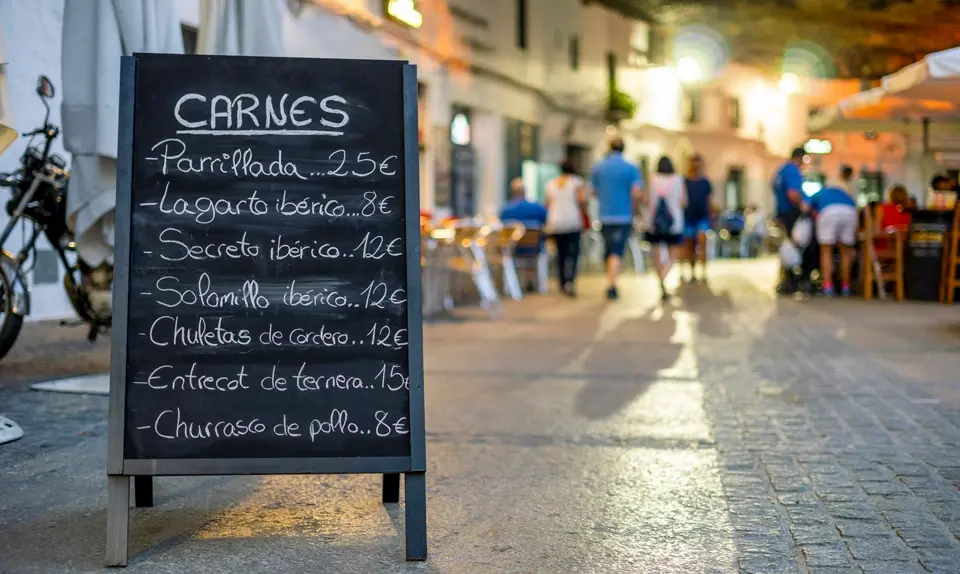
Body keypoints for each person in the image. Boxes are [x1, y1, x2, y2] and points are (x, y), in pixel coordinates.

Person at [590, 137, 643, 300]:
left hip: (605, 215)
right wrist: (636, 211)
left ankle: (611, 280)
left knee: (609, 249)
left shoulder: (599, 167)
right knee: (616, 250)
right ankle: (612, 284)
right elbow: (636, 193)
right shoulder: (631, 168)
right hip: (623, 216)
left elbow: (594, 191)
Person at [644, 156, 685, 300]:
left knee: (656, 253)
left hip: (654, 222)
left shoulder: (652, 179)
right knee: (673, 254)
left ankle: (660, 279)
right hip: (674, 223)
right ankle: (664, 276)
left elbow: (646, 200)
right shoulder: (678, 180)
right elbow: (683, 201)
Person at [806, 183, 857, 296]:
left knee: (826, 250)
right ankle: (845, 287)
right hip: (850, 212)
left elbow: (808, 208)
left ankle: (828, 286)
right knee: (845, 251)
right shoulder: (843, 193)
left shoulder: (819, 193)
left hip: (828, 211)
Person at [545, 159, 587, 296]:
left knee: (560, 254)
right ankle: (570, 281)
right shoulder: (576, 182)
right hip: (572, 221)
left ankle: (562, 282)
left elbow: (548, 203)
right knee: (573, 253)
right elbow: (582, 201)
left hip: (556, 221)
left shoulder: (551, 184)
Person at [772, 147, 809, 293]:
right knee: (794, 247)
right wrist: (803, 205)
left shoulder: (781, 171)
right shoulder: (793, 170)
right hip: (791, 213)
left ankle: (785, 280)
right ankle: (792, 281)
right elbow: (793, 193)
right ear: (800, 158)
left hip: (782, 212)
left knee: (786, 247)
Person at [682, 154, 712, 282]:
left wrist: (710, 216)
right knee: (689, 246)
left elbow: (708, 200)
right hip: (688, 218)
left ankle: (704, 272)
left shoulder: (705, 182)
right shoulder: (685, 181)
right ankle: (692, 271)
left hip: (702, 217)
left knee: (702, 243)